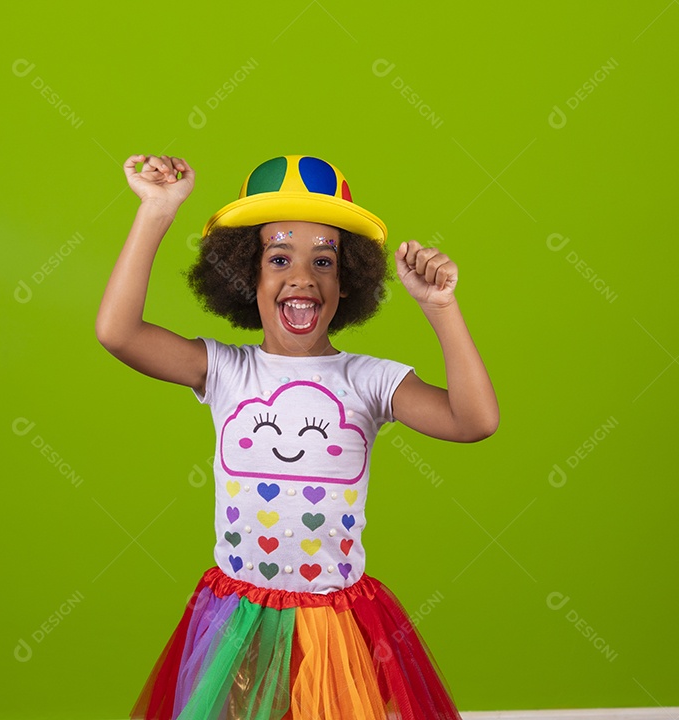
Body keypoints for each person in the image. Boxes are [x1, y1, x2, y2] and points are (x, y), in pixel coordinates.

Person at [96, 152, 499, 720]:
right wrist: (158, 211)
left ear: (348, 278)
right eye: (278, 258)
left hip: (336, 625)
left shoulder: (369, 380)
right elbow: (118, 332)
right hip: (238, 621)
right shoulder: (226, 371)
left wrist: (440, 307)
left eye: (324, 262)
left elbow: (474, 421)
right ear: (245, 274)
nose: (302, 278)